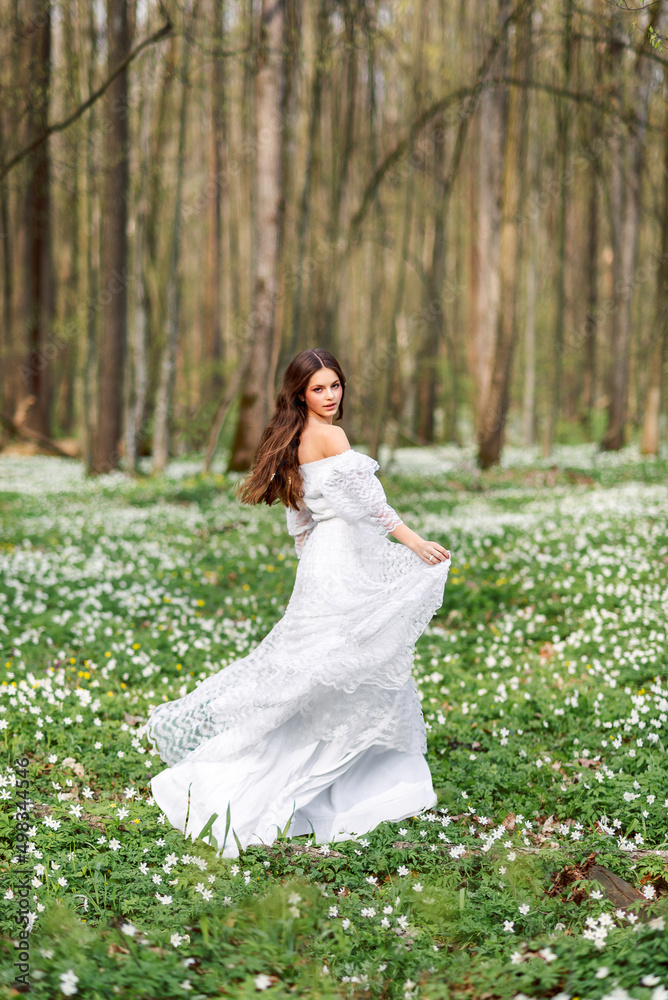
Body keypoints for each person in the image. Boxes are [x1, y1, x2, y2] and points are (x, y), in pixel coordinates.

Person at [144, 348, 451, 858]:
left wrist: (315, 573)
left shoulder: (292, 440)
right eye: (319, 389)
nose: (331, 397)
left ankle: (326, 783)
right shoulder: (331, 436)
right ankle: (339, 792)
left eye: (336, 386)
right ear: (300, 393)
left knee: (324, 669)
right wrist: (414, 544)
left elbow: (300, 522)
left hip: (323, 564)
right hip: (342, 562)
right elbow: (374, 507)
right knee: (350, 665)